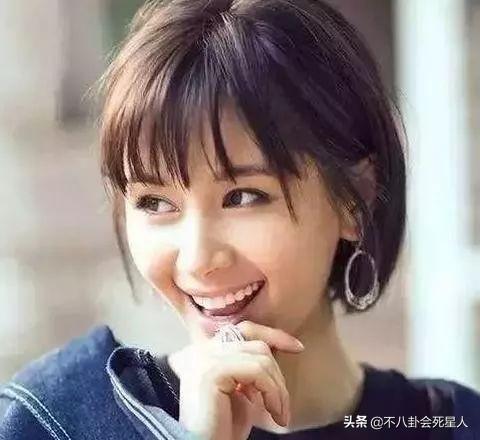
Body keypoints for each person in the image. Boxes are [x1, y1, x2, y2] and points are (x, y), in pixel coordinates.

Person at [1, 0, 479, 439]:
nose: (197, 259)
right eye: (155, 202)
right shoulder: (51, 422)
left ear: (355, 200)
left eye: (243, 197)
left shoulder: (450, 425)